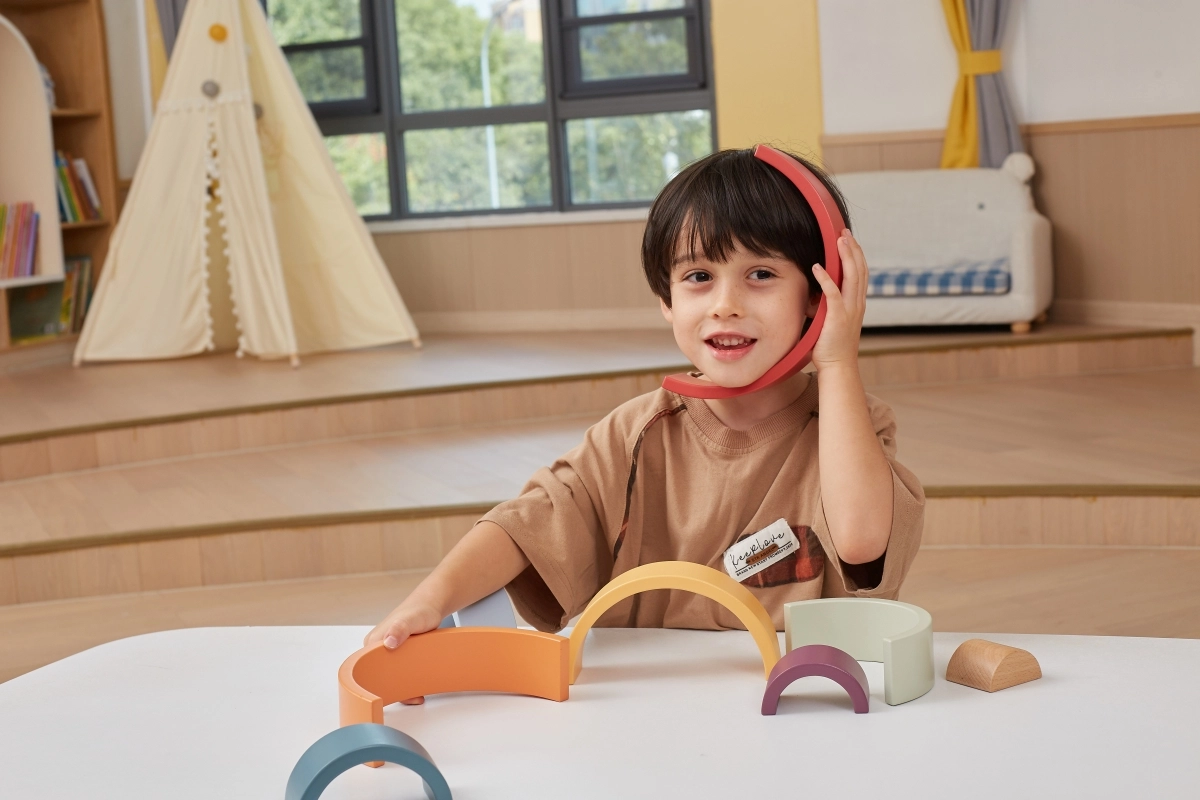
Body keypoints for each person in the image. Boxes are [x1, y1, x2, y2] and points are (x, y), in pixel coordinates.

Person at [365, 148, 925, 649]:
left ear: (820, 294)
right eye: (699, 276)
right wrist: (428, 601)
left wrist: (838, 361)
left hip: (794, 696)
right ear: (666, 300)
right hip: (648, 700)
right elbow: (526, 525)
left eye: (760, 273)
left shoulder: (849, 424)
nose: (725, 304)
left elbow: (860, 541)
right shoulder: (635, 432)